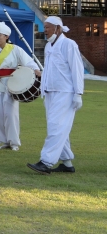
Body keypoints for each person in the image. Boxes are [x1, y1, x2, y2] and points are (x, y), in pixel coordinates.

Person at [27, 16, 84, 175]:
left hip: (65, 93)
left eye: (48, 27)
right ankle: (67, 163)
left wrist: (78, 93)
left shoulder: (69, 44)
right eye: (44, 27)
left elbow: (77, 70)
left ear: (58, 28)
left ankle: (46, 162)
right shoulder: (48, 46)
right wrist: (43, 88)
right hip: (50, 93)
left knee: (56, 128)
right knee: (58, 128)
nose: (45, 30)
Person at [0, 21, 42, 151]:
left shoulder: (15, 49)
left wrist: (36, 69)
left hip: (12, 84)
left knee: (11, 114)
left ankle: (14, 142)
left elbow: (28, 62)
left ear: (6, 36)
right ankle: (3, 140)